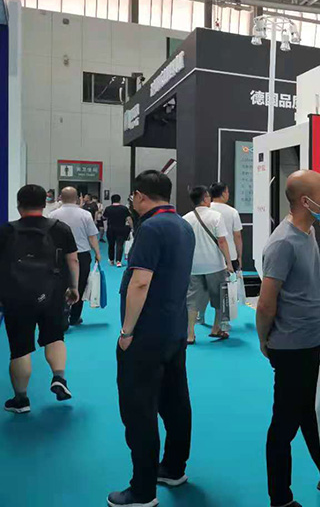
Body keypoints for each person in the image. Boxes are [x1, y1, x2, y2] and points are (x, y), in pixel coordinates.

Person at [108, 170, 195, 507]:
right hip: (174, 329)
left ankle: (142, 490)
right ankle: (173, 467)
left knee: (139, 410)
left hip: (146, 334)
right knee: (175, 402)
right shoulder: (183, 226)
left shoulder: (152, 228)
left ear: (140, 195)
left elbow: (140, 282)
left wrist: (127, 331)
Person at [257, 169, 320, 507]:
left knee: (310, 413)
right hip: (291, 346)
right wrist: (264, 340)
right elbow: (266, 303)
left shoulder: (309, 231)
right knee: (284, 425)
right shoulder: (283, 243)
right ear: (305, 201)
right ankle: (280, 498)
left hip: (310, 342)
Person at [0, 185, 80, 414]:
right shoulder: (60, 229)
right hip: (52, 293)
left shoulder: (6, 231)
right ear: (44, 204)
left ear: (19, 205)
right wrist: (73, 287)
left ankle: (21, 400)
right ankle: (59, 377)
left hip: (16, 296)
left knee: (20, 349)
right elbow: (73, 260)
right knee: (55, 337)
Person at [183, 186, 234, 344]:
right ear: (205, 198)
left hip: (194, 266)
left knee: (192, 300)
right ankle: (216, 328)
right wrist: (229, 262)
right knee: (219, 297)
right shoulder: (216, 216)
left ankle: (190, 334)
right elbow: (222, 241)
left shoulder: (186, 218)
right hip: (215, 264)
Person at [49, 187, 102, 326]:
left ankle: (61, 315)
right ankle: (74, 317)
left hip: (59, 255)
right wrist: (97, 253)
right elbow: (92, 236)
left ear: (61, 197)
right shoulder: (85, 215)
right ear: (78, 198)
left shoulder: (53, 215)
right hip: (82, 254)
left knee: (60, 284)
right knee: (80, 284)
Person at [207, 182, 243, 325]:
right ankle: (224, 320)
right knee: (226, 289)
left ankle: (199, 315)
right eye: (227, 192)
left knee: (203, 287)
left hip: (208, 255)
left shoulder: (206, 209)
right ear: (223, 194)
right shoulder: (232, 212)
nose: (228, 194)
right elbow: (237, 236)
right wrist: (239, 256)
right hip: (229, 255)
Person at [105, 194, 133, 267]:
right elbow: (129, 218)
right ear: (119, 200)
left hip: (110, 229)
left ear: (111, 200)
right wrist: (132, 227)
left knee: (111, 245)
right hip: (121, 228)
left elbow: (104, 217)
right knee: (120, 245)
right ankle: (118, 261)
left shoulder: (108, 208)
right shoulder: (124, 208)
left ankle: (111, 260)